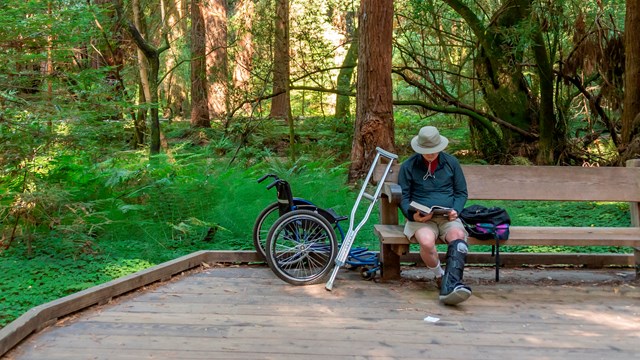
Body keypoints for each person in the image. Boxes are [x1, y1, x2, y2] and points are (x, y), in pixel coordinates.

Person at [398, 126, 472, 305]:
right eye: (426, 151)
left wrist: (456, 210)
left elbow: (461, 192)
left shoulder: (451, 163)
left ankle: (452, 282)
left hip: (447, 217)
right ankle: (441, 277)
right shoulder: (409, 166)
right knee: (426, 241)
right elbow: (403, 197)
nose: (430, 154)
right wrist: (412, 215)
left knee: (458, 237)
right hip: (421, 218)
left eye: (433, 151)